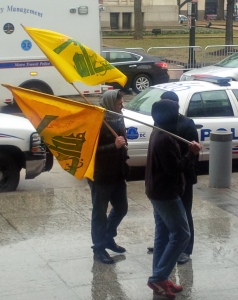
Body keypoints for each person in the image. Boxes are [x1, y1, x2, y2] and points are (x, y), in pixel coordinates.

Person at [145, 99, 201, 298]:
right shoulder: (164, 139)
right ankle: (158, 278)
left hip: (156, 191)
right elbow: (174, 169)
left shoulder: (158, 132)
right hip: (165, 193)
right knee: (181, 234)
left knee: (162, 234)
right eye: (175, 113)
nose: (178, 116)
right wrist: (191, 154)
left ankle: (161, 277)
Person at [88, 89, 129, 264]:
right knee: (99, 212)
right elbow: (91, 152)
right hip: (101, 175)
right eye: (119, 103)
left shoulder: (118, 118)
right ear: (110, 104)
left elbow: (122, 141)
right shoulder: (96, 121)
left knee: (121, 207)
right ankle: (99, 248)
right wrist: (114, 146)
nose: (122, 106)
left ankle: (108, 237)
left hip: (118, 173)